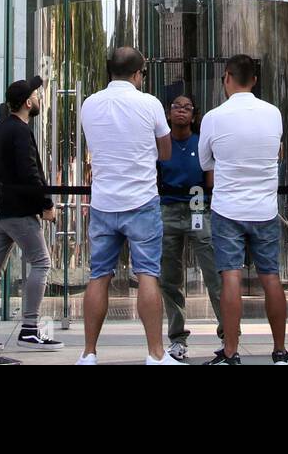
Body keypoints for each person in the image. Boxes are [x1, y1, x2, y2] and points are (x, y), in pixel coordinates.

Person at [76, 47, 180, 365]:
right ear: (138, 74)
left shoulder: (89, 104)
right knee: (148, 275)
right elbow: (165, 153)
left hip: (104, 201)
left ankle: (89, 353)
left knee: (99, 276)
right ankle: (156, 354)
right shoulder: (149, 104)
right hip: (141, 201)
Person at [201, 54, 288, 365]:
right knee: (271, 278)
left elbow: (205, 162)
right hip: (264, 208)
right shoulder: (273, 113)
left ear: (226, 78)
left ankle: (231, 352)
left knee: (231, 278)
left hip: (228, 208)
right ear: (254, 80)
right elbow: (276, 154)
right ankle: (279, 352)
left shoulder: (213, 117)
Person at [0, 76, 63, 352]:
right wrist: (46, 204)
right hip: (19, 212)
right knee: (41, 263)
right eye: (36, 95)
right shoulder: (20, 131)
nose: (40, 99)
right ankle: (30, 329)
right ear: (28, 102)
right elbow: (29, 172)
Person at [156, 94, 224, 361]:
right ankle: (177, 339)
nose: (181, 111)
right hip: (168, 210)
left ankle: (227, 336)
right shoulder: (162, 144)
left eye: (187, 107)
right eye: (176, 107)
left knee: (214, 276)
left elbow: (211, 180)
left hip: (199, 209)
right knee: (170, 280)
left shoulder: (201, 143)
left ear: (194, 115)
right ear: (169, 114)